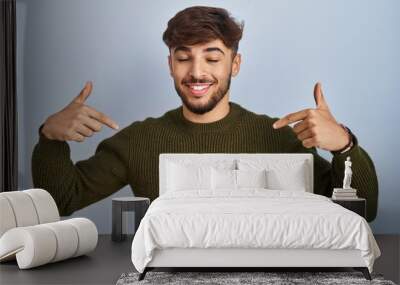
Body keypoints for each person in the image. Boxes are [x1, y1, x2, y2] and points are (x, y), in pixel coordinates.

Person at [31, 6, 378, 222]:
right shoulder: (139, 140)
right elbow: (63, 199)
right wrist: (49, 137)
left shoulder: (276, 136)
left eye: (212, 58)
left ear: (235, 64)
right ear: (170, 65)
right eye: (184, 58)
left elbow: (363, 212)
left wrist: (345, 146)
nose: (197, 72)